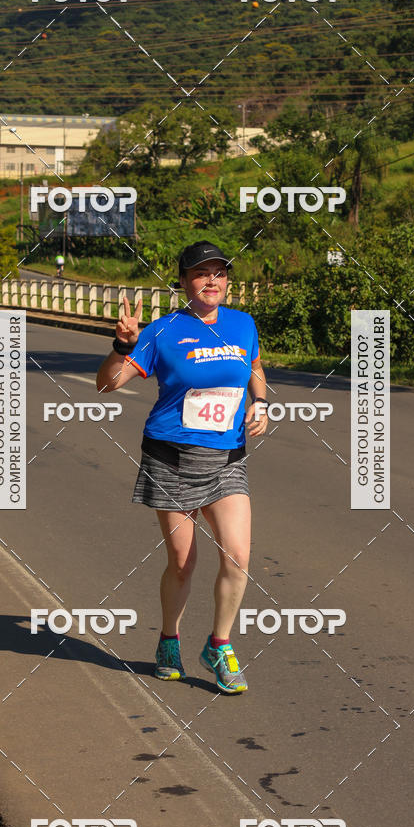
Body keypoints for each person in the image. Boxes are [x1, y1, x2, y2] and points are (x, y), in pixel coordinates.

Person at [96, 241, 268, 694]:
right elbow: (107, 385)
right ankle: (169, 638)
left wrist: (262, 402)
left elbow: (254, 367)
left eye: (219, 272)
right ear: (183, 282)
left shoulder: (243, 324)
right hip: (170, 459)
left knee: (238, 556)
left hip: (227, 459)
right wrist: (122, 346)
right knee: (182, 563)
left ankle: (219, 645)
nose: (212, 280)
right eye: (201, 273)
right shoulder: (162, 331)